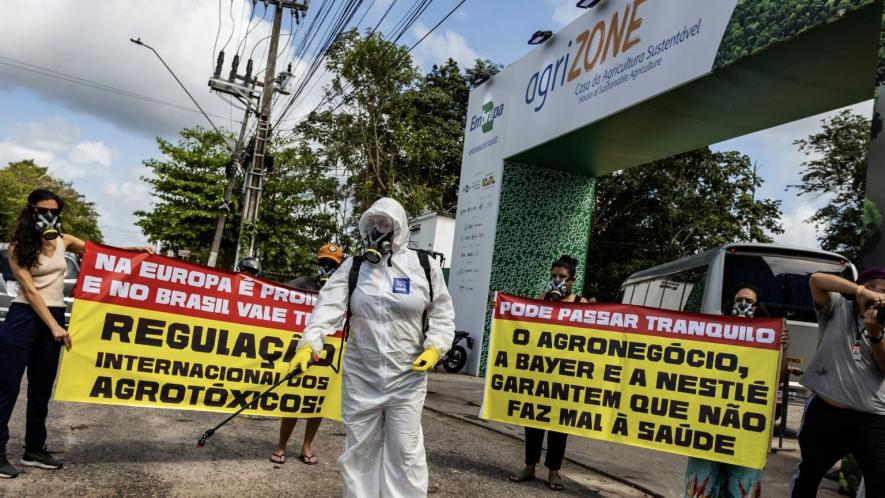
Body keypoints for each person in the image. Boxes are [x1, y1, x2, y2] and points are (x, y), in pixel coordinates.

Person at [290, 197, 454, 498]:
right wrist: (308, 345)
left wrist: (435, 347)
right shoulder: (353, 268)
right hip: (361, 376)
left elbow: (443, 314)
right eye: (373, 224)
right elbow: (326, 309)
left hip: (407, 378)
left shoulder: (423, 266)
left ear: (400, 229)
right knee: (359, 452)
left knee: (405, 453)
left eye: (385, 225)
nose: (379, 231)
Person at [0, 189, 152, 479]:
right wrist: (55, 326)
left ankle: (34, 449)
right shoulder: (18, 246)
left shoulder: (64, 240)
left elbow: (100, 252)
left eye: (54, 212)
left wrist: (133, 251)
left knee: (41, 389)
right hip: (24, 318)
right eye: (42, 211)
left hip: (54, 315)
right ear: (30, 211)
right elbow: (30, 291)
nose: (48, 217)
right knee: (7, 387)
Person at [683, 284, 789, 497]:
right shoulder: (713, 333)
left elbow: (779, 377)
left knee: (741, 489)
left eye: (749, 302)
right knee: (701, 488)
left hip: (746, 431)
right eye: (739, 299)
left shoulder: (769, 338)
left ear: (757, 307)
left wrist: (783, 349)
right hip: (708, 424)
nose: (743, 305)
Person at [789, 268, 885, 497]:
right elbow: (816, 280)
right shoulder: (837, 307)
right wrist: (861, 291)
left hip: (873, 418)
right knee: (809, 474)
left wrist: (875, 334)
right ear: (868, 288)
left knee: (880, 482)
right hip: (826, 412)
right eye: (882, 292)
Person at [510, 255, 590, 491]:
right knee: (533, 420)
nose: (557, 280)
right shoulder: (542, 300)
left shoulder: (581, 304)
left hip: (565, 376)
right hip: (540, 372)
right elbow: (524, 322)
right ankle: (530, 465)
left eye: (562, 277)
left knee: (559, 426)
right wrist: (503, 309)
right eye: (554, 276)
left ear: (572, 280)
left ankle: (554, 471)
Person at [270, 243, 343, 465]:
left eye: (332, 264)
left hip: (330, 349)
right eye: (324, 263)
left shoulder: (342, 288)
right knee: (295, 396)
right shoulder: (302, 284)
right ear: (317, 263)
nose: (327, 267)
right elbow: (277, 298)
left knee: (317, 400)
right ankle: (282, 445)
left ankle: (307, 445)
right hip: (301, 347)